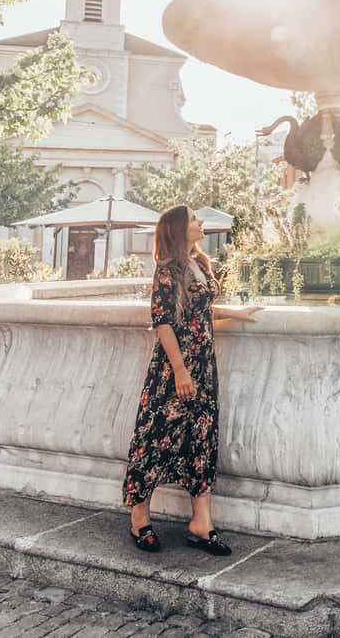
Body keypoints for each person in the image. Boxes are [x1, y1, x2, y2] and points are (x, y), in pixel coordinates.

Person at [122, 205, 262, 555]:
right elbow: (163, 320)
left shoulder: (200, 264)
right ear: (180, 228)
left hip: (203, 365)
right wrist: (181, 371)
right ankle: (140, 518)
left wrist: (235, 312)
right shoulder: (166, 269)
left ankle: (202, 523)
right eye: (195, 220)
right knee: (155, 438)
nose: (201, 224)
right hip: (174, 369)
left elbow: (199, 309)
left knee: (201, 438)